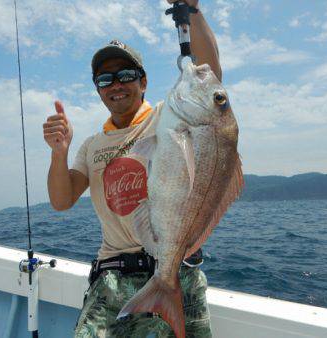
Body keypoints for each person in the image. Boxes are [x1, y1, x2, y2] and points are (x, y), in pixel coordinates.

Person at [43, 1, 222, 336]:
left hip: (176, 269)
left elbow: (209, 75)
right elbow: (61, 200)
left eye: (126, 76)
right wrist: (59, 152)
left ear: (143, 82)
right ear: (98, 88)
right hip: (112, 276)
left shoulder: (169, 120)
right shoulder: (91, 145)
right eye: (105, 79)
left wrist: (193, 12)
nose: (116, 85)